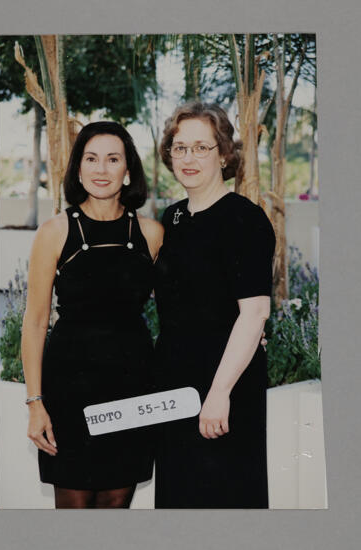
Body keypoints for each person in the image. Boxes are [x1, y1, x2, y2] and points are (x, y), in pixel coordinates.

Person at [21, 121, 163, 509]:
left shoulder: (152, 233)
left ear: (128, 169)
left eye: (112, 159)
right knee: (74, 512)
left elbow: (183, 303)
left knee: (117, 505)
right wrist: (35, 403)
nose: (101, 170)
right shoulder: (54, 231)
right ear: (78, 169)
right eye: (92, 159)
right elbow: (34, 323)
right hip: (70, 389)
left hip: (132, 386)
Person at [153, 101, 276, 508]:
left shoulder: (245, 219)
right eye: (180, 147)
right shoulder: (171, 219)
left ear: (224, 154)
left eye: (202, 147)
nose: (189, 158)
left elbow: (255, 312)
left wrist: (219, 392)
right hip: (175, 387)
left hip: (224, 389)